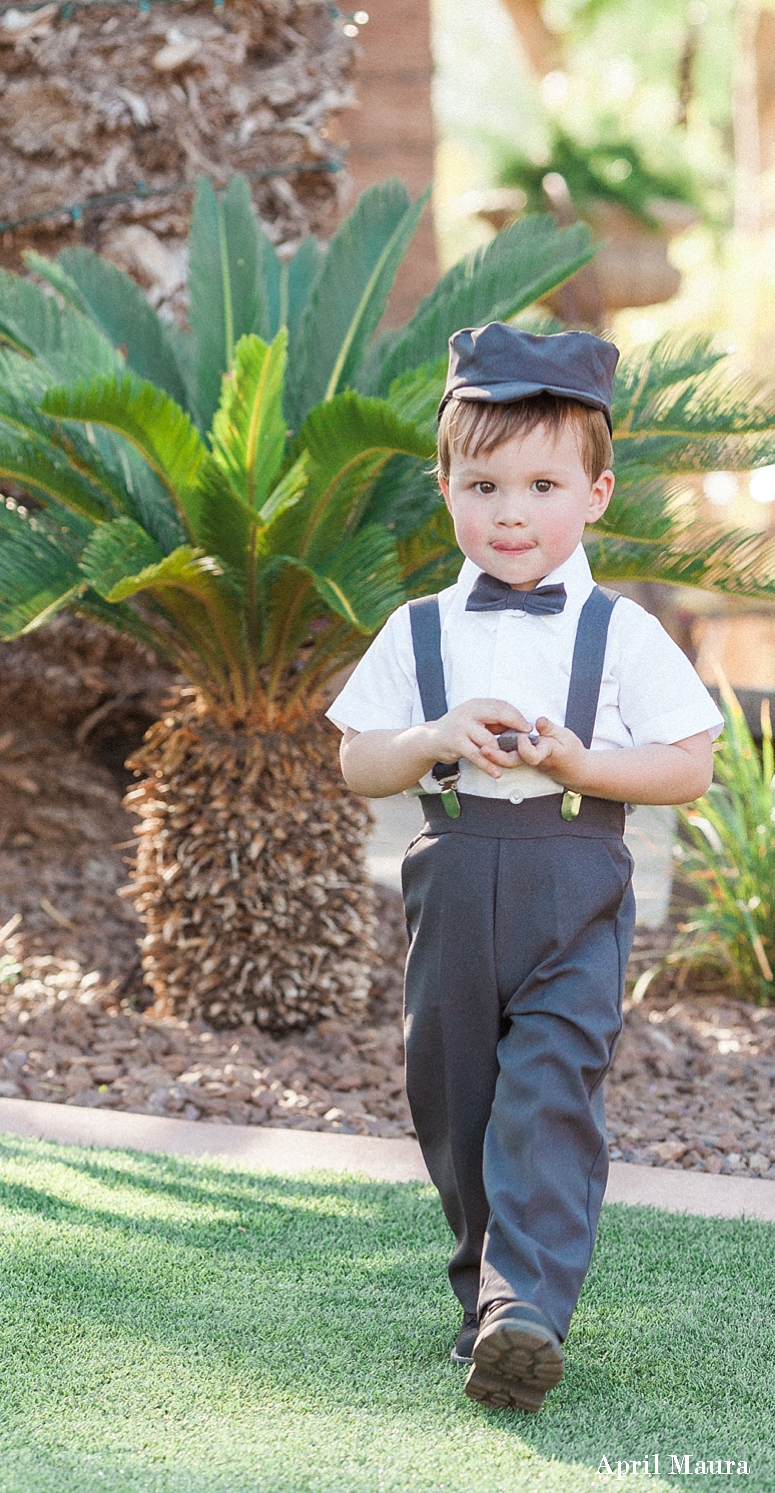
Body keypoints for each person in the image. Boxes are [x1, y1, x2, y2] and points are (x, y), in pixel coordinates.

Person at [327, 322, 722, 1412]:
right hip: (450, 877)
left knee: (547, 1087)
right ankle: (485, 1304)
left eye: (541, 482)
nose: (509, 510)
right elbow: (359, 759)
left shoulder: (622, 629)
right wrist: (433, 735)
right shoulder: (415, 631)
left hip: (571, 878)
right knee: (452, 1100)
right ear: (442, 487)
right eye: (483, 482)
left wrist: (579, 756)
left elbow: (687, 765)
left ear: (596, 492)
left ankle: (525, 1308)